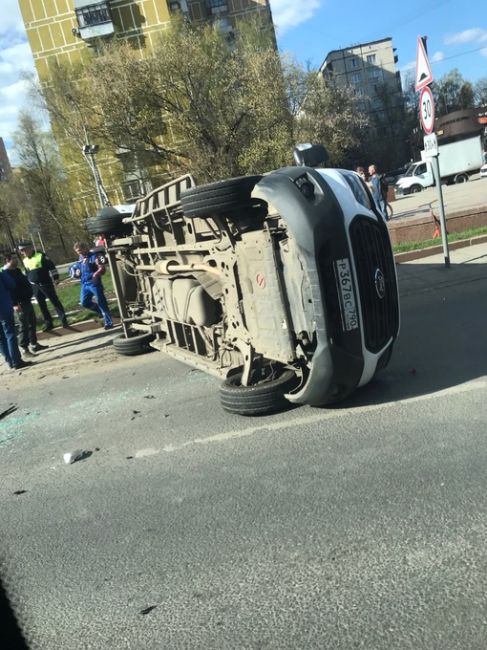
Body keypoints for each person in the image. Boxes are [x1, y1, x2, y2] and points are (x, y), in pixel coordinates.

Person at [2, 253, 48, 357]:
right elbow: (10, 290)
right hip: (19, 303)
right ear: (7, 260)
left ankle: (34, 344)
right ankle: (24, 349)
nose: (16, 260)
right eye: (13, 258)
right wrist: (14, 304)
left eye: (16, 257)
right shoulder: (6, 273)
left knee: (32, 323)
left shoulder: (17, 271)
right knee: (23, 326)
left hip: (27, 300)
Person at [18, 242, 68, 331]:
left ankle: (63, 320)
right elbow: (27, 273)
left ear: (29, 248)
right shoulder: (25, 260)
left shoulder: (41, 255)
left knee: (54, 301)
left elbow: (52, 267)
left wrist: (56, 278)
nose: (22, 252)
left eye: (23, 250)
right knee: (42, 305)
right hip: (34, 286)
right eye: (21, 251)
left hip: (45, 283)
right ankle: (49, 323)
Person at [70, 242, 113, 330]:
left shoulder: (95, 256)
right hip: (84, 284)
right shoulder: (80, 258)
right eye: (77, 252)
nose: (79, 253)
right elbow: (74, 268)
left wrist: (96, 275)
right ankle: (100, 311)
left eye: (80, 251)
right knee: (84, 302)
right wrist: (76, 273)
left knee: (101, 302)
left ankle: (108, 322)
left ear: (85, 248)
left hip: (94, 283)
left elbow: (102, 268)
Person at [0, 268, 34, 370]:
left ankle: (9, 361)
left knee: (1, 338)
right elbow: (12, 284)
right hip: (3, 308)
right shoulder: (2, 274)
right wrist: (5, 273)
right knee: (10, 334)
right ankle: (16, 361)